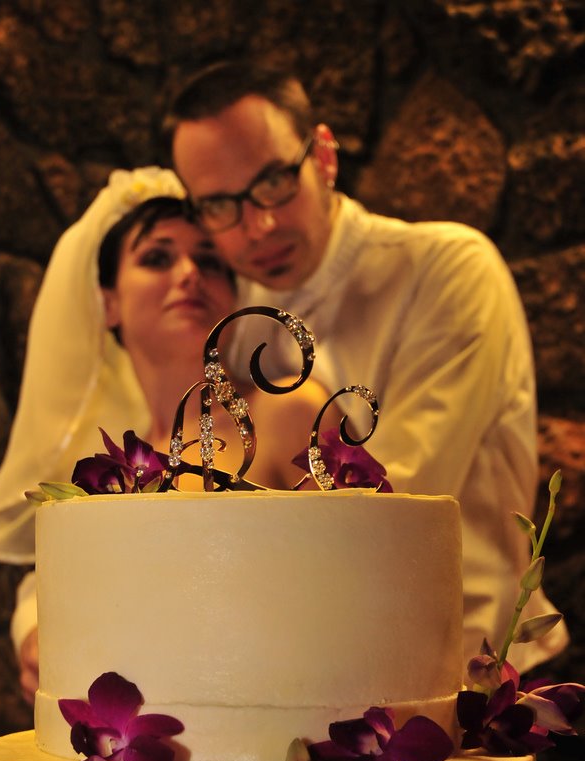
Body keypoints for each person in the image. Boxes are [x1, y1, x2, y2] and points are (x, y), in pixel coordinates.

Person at [164, 60, 568, 672]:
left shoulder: (449, 271)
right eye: (220, 205)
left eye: (274, 181)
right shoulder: (227, 313)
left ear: (323, 156)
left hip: (470, 675)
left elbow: (391, 506)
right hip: (295, 670)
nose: (259, 226)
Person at [0, 167, 328, 703]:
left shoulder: (286, 415)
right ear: (108, 302)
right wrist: (36, 636)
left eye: (210, 261)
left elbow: (354, 590)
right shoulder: (111, 472)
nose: (189, 273)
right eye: (158, 258)